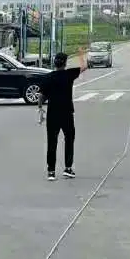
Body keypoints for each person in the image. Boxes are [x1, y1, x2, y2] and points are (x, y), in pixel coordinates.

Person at [40, 46, 86, 180]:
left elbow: (41, 96)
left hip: (52, 114)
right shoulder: (69, 74)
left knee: (52, 142)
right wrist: (81, 53)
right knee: (69, 140)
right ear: (65, 63)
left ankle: (51, 171)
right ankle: (68, 168)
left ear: (54, 63)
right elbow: (84, 67)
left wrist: (40, 109)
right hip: (66, 113)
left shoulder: (48, 77)